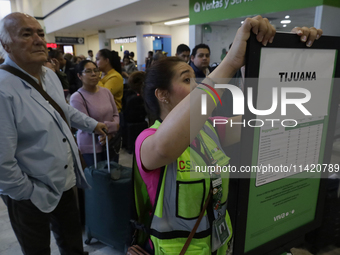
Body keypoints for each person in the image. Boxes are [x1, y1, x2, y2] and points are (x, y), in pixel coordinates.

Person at [133, 16, 322, 254]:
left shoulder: (209, 129)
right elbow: (165, 148)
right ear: (162, 94)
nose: (196, 84)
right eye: (187, 79)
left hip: (220, 244)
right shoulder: (148, 140)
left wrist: (290, 58)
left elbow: (270, 119)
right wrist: (230, 62)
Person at [0, 12, 108, 255]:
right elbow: (2, 162)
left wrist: (91, 124)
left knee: (72, 244)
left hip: (65, 182)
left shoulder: (49, 75)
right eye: (27, 34)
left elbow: (62, 109)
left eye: (40, 33)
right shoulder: (3, 90)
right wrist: (27, 193)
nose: (38, 40)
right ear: (6, 44)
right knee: (37, 249)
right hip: (30, 193)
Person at [70, 60, 119, 166]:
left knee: (114, 176)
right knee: (97, 179)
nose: (93, 74)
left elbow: (115, 114)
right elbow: (85, 124)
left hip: (110, 143)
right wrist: (110, 129)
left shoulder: (106, 92)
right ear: (79, 76)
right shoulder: (77, 97)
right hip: (90, 147)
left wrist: (110, 134)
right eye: (88, 71)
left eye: (96, 70)